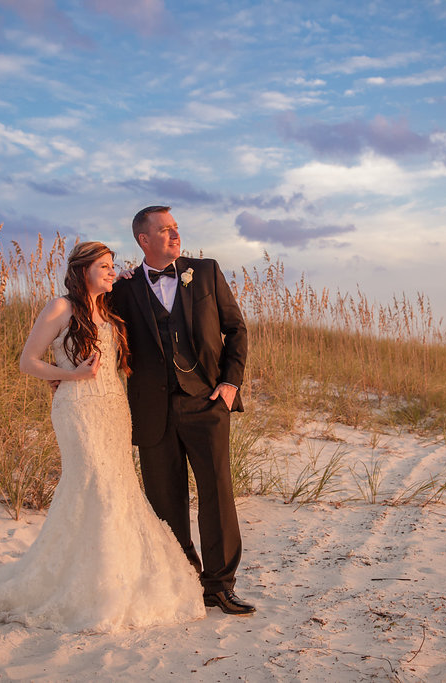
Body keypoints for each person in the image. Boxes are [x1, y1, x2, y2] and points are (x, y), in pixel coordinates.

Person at [0, 241, 204, 632]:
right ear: (83, 270)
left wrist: (123, 276)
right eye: (104, 267)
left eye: (113, 266)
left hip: (114, 410)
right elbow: (28, 362)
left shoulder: (106, 310)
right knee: (94, 484)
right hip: (78, 409)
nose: (111, 271)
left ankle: (114, 574)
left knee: (119, 485)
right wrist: (69, 376)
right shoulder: (60, 307)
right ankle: (91, 585)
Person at [109, 206, 255, 616]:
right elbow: (91, 322)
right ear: (144, 240)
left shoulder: (205, 271)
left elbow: (236, 329)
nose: (176, 235)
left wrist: (229, 384)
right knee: (165, 502)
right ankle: (184, 580)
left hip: (206, 403)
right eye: (166, 230)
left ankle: (220, 586)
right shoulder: (124, 287)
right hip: (153, 410)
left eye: (176, 228)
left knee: (217, 496)